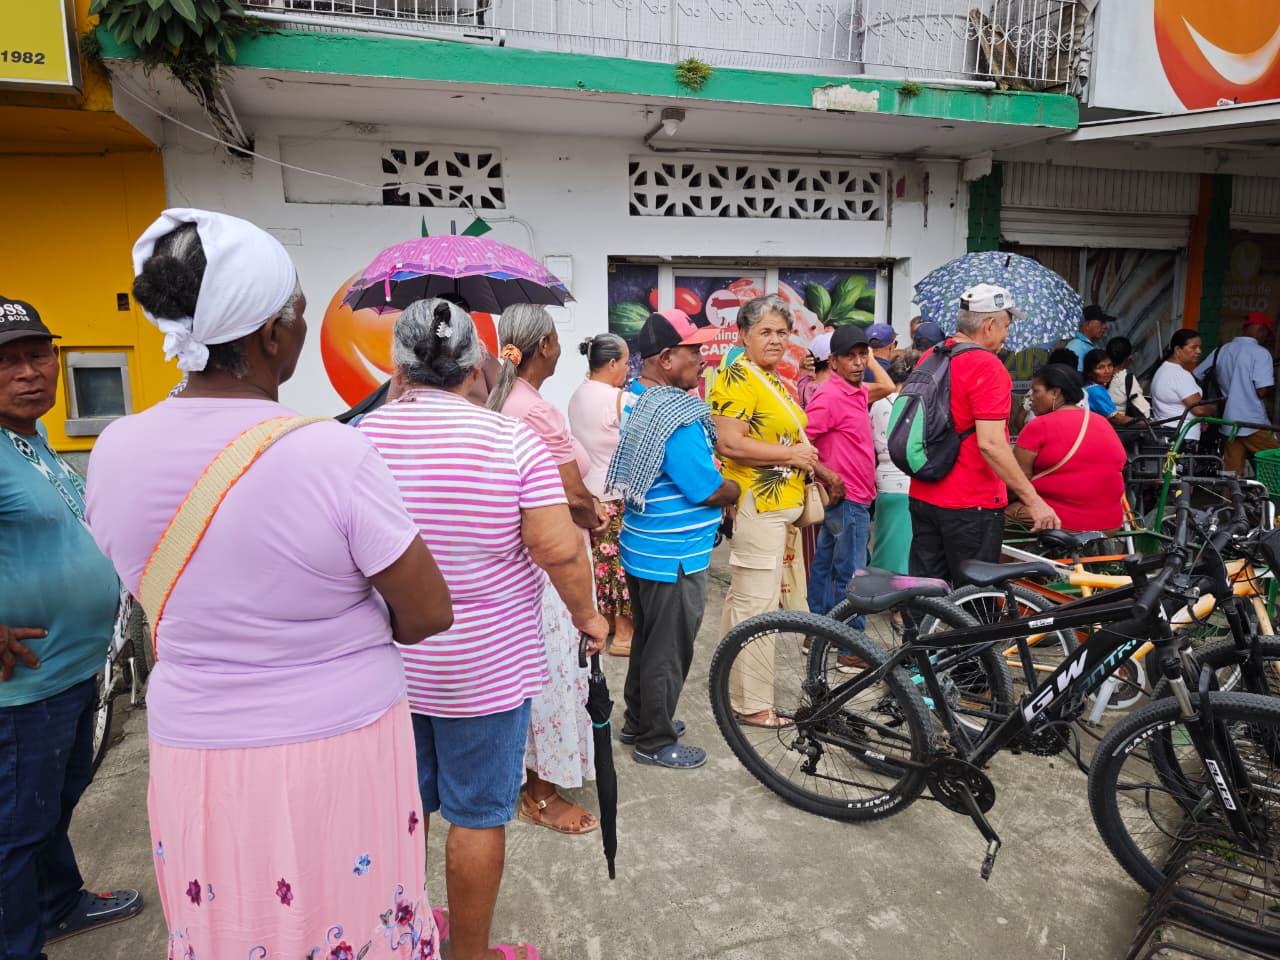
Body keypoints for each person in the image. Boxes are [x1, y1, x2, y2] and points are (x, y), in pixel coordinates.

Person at [86, 210, 454, 960]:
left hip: (197, 749)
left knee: (234, 922)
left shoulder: (114, 448)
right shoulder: (328, 453)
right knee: (345, 917)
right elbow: (427, 612)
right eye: (299, 312)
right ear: (271, 335)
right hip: (337, 745)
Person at [359, 299, 608, 960]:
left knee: (400, 814)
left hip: (386, 671)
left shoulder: (360, 441)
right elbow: (558, 551)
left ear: (399, 367)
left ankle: (401, 939)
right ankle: (467, 954)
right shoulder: (509, 439)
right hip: (485, 672)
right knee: (476, 817)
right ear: (475, 364)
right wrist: (590, 616)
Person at [0, 297, 144, 960]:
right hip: (22, 689)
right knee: (15, 832)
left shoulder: (30, 442)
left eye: (36, 355)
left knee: (53, 808)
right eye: (7, 362)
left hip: (70, 669)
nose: (29, 372)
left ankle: (57, 903)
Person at [488, 304, 604, 835]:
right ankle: (541, 794)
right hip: (551, 562)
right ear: (545, 347)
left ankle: (527, 778)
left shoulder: (497, 400)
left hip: (518, 559)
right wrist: (596, 515)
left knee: (531, 667)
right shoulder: (534, 410)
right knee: (556, 670)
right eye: (557, 338)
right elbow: (571, 495)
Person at [604, 311, 737, 769]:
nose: (702, 359)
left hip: (645, 546)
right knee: (668, 649)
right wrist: (736, 489)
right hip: (673, 553)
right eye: (693, 351)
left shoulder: (639, 399)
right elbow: (705, 488)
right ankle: (655, 740)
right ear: (666, 358)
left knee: (648, 640)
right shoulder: (675, 416)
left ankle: (638, 719)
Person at [709, 294, 843, 728]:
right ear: (744, 335)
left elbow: (790, 444)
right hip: (758, 505)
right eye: (764, 331)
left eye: (782, 332)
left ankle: (733, 686)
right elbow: (730, 443)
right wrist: (795, 458)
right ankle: (751, 705)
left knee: (748, 600)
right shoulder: (735, 377)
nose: (775, 340)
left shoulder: (774, 380)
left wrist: (812, 465)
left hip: (780, 507)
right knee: (756, 607)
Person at [908, 283, 1061, 586]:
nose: (1007, 334)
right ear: (989, 325)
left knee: (926, 595)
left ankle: (919, 637)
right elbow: (991, 444)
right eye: (1007, 325)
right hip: (970, 503)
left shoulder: (933, 356)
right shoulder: (986, 366)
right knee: (974, 604)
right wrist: (1034, 501)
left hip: (924, 494)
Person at [804, 324, 895, 619]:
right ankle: (849, 645)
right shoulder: (829, 396)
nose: (857, 363)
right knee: (851, 575)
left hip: (856, 497)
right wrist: (828, 476)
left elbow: (889, 387)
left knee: (828, 566)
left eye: (861, 355)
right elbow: (801, 443)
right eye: (850, 357)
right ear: (833, 362)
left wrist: (870, 359)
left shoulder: (856, 391)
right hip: (847, 498)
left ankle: (819, 629)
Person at [568, 333, 635, 657]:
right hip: (616, 496)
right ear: (611, 363)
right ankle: (625, 633)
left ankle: (605, 620)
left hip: (588, 497)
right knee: (621, 566)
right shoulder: (619, 400)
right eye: (625, 362)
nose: (627, 368)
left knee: (600, 565)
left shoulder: (576, 396)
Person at [1012, 364, 1127, 532]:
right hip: (1111, 522)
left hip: (1063, 521)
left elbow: (1019, 480)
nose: (1030, 399)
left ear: (1055, 393)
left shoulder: (1038, 426)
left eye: (1036, 391)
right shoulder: (1102, 422)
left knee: (1000, 516)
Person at [1194, 312, 1279, 473]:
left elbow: (1197, 374)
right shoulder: (1261, 353)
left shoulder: (1221, 351)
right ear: (1261, 330)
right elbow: (1261, 391)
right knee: (1276, 461)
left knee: (1232, 475)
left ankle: (1232, 499)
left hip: (1228, 423)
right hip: (1253, 422)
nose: (1266, 338)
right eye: (1266, 333)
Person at [869, 350, 917, 574]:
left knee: (885, 543)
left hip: (884, 482)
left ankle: (880, 593)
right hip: (907, 483)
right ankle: (899, 603)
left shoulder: (878, 403)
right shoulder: (913, 405)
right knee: (903, 550)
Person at [1151, 329, 1216, 447]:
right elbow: (1198, 409)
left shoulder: (1163, 369)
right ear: (1177, 349)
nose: (1199, 351)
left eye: (1199, 347)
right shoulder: (1179, 374)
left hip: (1168, 434)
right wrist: (1215, 408)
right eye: (1193, 347)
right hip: (1183, 437)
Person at [1082, 348, 1143, 426]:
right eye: (1100, 367)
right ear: (1089, 372)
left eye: (1110, 365)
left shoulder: (1090, 387)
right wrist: (1144, 422)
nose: (1107, 371)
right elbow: (1115, 419)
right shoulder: (1095, 391)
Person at [1106, 336, 1151, 419]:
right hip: (1122, 428)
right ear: (1129, 358)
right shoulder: (1126, 379)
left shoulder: (1101, 376)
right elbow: (1144, 411)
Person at [1064, 304, 1113, 370]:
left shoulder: (1091, 344)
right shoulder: (1076, 347)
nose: (1105, 326)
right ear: (1087, 324)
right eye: (1101, 322)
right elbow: (1076, 377)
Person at [795, 330, 833, 408]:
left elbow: (803, 377)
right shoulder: (833, 392)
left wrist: (802, 368)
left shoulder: (806, 387)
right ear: (832, 361)